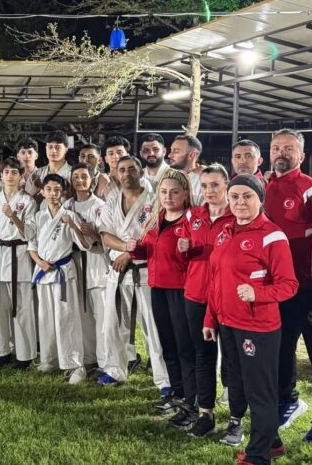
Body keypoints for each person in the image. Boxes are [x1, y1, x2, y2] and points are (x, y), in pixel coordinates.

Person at [203, 174, 298, 465]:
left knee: (260, 391)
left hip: (257, 327)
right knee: (241, 384)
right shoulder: (226, 231)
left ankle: (258, 455)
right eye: (235, 197)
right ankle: (272, 442)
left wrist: (258, 294)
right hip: (229, 324)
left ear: (260, 199)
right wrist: (211, 318)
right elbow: (216, 278)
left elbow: (289, 285)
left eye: (247, 196)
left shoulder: (272, 235)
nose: (241, 202)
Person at [263, 129, 312, 442]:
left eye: (289, 148)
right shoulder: (262, 186)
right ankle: (289, 400)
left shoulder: (311, 189)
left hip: (309, 287)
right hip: (277, 287)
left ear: (302, 156)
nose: (281, 153)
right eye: (276, 147)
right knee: (281, 349)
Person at [98, 156, 169, 391]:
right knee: (113, 324)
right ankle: (115, 369)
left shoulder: (155, 198)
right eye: (122, 170)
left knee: (154, 326)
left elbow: (157, 234)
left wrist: (130, 254)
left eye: (131, 169)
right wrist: (125, 248)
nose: (126, 173)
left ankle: (164, 378)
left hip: (146, 270)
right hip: (118, 272)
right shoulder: (111, 199)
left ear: (140, 172)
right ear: (116, 174)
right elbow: (105, 234)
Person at [134, 169, 197, 428]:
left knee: (185, 347)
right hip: (157, 287)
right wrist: (133, 248)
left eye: (174, 192)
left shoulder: (193, 220)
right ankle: (178, 393)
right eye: (163, 192)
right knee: (167, 345)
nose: (168, 196)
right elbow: (149, 250)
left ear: (185, 193)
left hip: (181, 290)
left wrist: (191, 247)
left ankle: (193, 402)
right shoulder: (155, 219)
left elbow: (202, 255)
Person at [180, 163, 234, 439]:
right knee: (203, 355)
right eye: (204, 186)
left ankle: (236, 417)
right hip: (196, 295)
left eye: (215, 185)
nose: (209, 191)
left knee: (233, 361)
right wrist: (185, 249)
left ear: (226, 184)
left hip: (227, 299)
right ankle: (206, 413)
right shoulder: (194, 216)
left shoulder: (237, 216)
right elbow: (185, 251)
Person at [31, 174, 90, 384]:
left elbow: (84, 245)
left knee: (67, 317)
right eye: (49, 189)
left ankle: (75, 364)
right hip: (43, 271)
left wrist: (72, 225)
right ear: (43, 192)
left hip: (63, 271)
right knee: (45, 316)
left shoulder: (70, 215)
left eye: (57, 190)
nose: (53, 194)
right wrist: (40, 263)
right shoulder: (38, 216)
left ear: (62, 192)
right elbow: (32, 246)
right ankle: (50, 358)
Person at [0, 158, 38, 368]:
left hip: (19, 255)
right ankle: (0, 352)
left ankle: (25, 355)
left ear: (21, 176)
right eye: (7, 172)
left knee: (22, 307)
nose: (10, 176)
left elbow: (30, 233)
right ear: (1, 175)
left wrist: (13, 216)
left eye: (15, 172)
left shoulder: (28, 202)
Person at [68, 163, 108, 373]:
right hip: (73, 261)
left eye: (84, 176)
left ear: (92, 179)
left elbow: (106, 239)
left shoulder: (99, 205)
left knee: (101, 315)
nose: (80, 180)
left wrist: (92, 232)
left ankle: (105, 361)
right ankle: (88, 357)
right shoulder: (66, 205)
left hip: (96, 262)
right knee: (81, 314)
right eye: (76, 177)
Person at [168, 135, 205, 205]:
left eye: (176, 151)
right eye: (171, 150)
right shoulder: (167, 177)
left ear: (192, 155)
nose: (169, 155)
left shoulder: (203, 181)